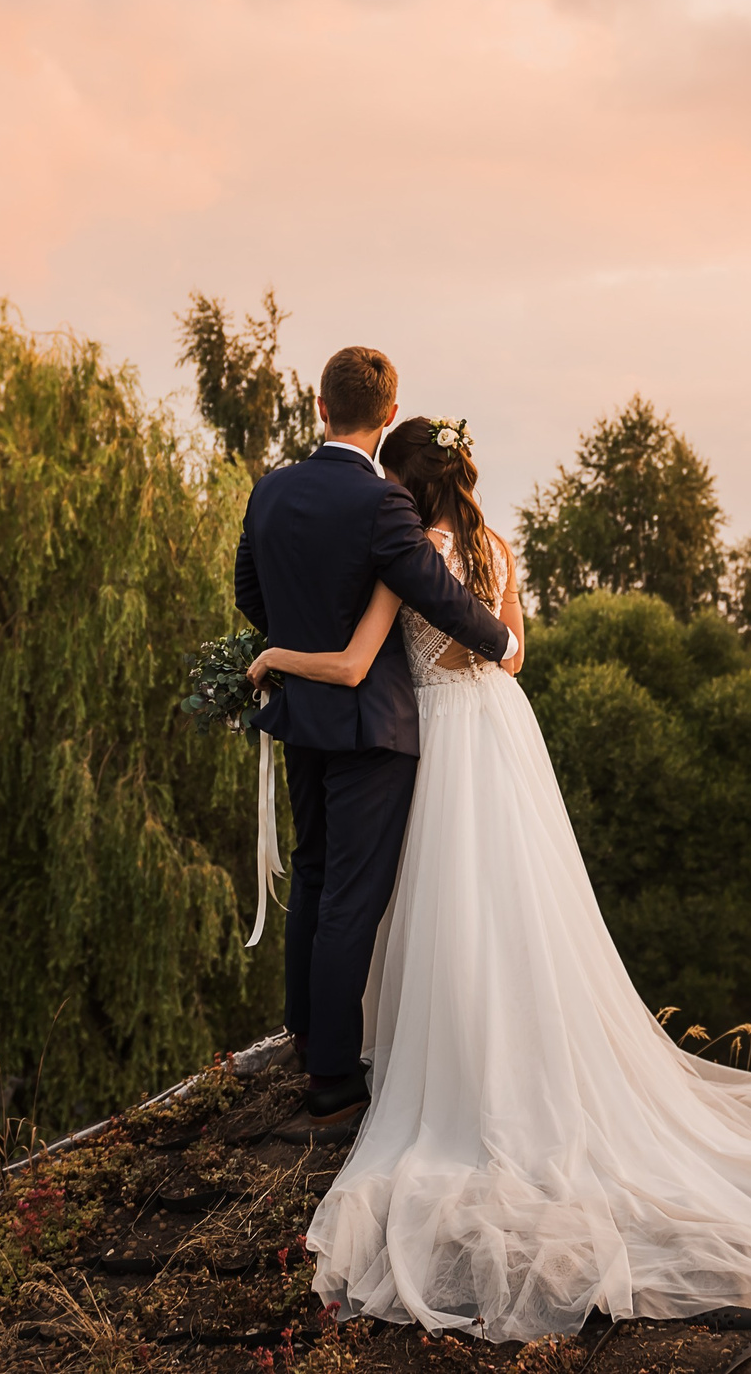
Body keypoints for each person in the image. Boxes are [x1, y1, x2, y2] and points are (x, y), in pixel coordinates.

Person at [245, 412, 751, 1345]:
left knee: (444, 907)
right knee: (521, 907)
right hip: (505, 736)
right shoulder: (496, 547)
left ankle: (439, 1058)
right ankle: (516, 1048)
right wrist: (496, 657)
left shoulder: (410, 559)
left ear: (407, 485)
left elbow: (360, 657)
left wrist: (277, 654)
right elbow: (512, 648)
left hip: (442, 743)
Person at [232, 347, 517, 1127]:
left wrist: (300, 650)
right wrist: (504, 644)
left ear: (319, 407)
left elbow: (250, 591)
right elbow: (437, 594)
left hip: (303, 719)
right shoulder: (382, 505)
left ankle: (305, 1034)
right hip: (372, 727)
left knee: (315, 877)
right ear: (388, 413)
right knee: (353, 897)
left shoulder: (270, 491)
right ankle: (332, 1077)